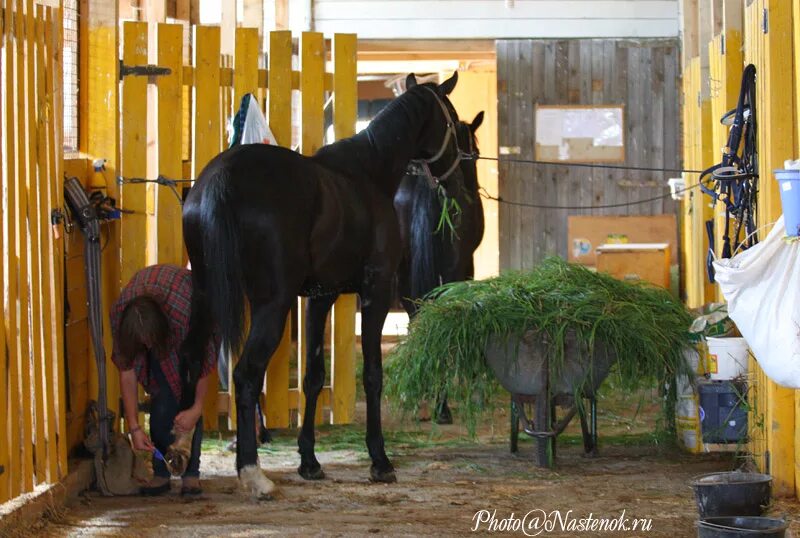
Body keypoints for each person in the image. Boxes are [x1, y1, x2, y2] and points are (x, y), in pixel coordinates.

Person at [111, 264, 217, 496]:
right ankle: (161, 472)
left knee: (187, 406)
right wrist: (134, 428)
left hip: (185, 317)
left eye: (151, 342)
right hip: (158, 319)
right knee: (163, 400)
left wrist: (197, 408)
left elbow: (205, 361)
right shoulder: (121, 316)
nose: (148, 347)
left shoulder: (186, 312)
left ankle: (191, 475)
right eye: (143, 344)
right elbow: (126, 371)